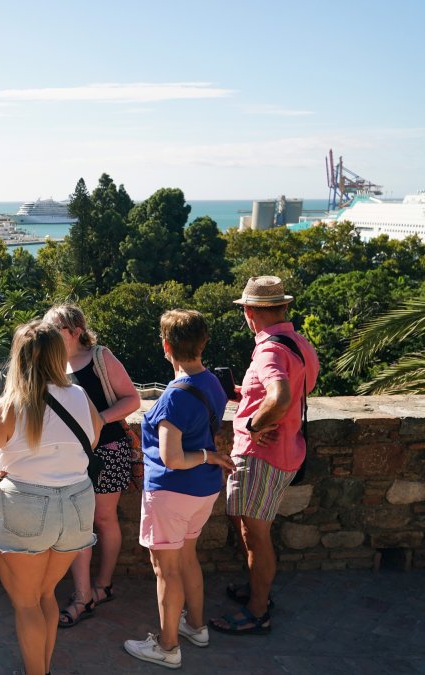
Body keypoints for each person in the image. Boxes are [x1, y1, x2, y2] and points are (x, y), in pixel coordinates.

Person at [0, 320, 103, 675]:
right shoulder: (81, 397)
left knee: (26, 604)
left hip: (26, 506)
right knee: (45, 596)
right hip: (77, 504)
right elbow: (94, 436)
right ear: (58, 356)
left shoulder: (10, 406)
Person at [123, 309, 236, 669]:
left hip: (172, 491)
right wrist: (210, 457)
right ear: (202, 343)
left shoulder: (174, 397)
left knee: (166, 570)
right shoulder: (213, 384)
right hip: (203, 491)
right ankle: (196, 627)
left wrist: (205, 454)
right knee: (188, 557)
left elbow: (172, 458)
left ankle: (168, 647)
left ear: (166, 346)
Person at [211, 276, 318, 636]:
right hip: (287, 449)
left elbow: (282, 396)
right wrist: (246, 396)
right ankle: (258, 590)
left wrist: (256, 423)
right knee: (254, 529)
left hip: (263, 455)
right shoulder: (298, 343)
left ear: (251, 312)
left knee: (255, 535)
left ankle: (258, 611)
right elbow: (297, 390)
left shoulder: (270, 350)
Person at [43, 304, 141, 628]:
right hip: (72, 454)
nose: (48, 336)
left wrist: (98, 419)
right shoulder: (51, 362)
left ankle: (102, 585)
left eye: (55, 329)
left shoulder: (100, 358)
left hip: (109, 448)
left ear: (75, 331)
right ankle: (83, 594)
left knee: (103, 518)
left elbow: (132, 399)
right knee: (79, 524)